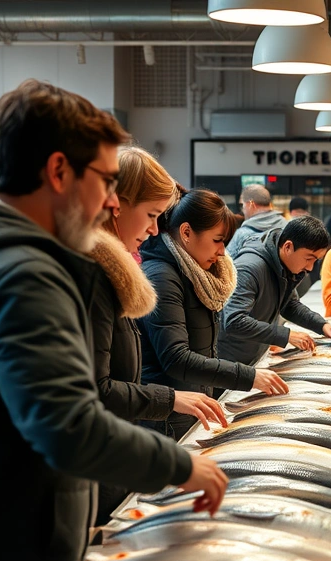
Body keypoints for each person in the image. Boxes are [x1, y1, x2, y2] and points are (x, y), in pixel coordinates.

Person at [0, 79, 227, 561]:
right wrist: (181, 466)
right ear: (58, 170)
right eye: (107, 181)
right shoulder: (24, 271)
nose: (114, 203)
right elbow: (66, 423)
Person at [88, 145, 228, 526]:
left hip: (114, 458)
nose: (153, 229)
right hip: (90, 473)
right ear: (116, 204)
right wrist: (170, 454)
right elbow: (93, 393)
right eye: (150, 215)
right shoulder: (94, 277)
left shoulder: (115, 272)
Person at [139, 188, 288, 440]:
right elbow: (175, 357)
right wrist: (248, 375)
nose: (222, 252)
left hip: (193, 406)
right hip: (167, 419)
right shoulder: (162, 277)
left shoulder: (197, 272)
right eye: (217, 240)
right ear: (186, 233)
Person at [220, 216, 331, 364]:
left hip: (254, 357)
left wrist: (321, 325)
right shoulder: (249, 269)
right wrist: (286, 335)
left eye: (315, 261)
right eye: (308, 258)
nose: (310, 268)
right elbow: (234, 321)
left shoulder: (283, 264)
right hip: (230, 362)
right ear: (287, 247)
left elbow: (289, 304)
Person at [227, 184, 287, 259]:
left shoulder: (242, 234)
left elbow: (227, 263)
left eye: (242, 205)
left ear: (251, 204)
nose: (243, 210)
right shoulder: (286, 225)